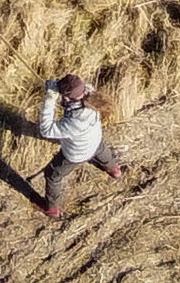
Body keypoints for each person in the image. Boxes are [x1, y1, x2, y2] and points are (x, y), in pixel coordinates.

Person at [34, 72, 127, 219]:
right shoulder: (91, 93)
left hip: (75, 154)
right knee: (103, 152)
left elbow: (47, 130)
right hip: (95, 141)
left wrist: (50, 99)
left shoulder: (75, 121)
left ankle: (51, 209)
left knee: (52, 175)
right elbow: (75, 90)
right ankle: (114, 170)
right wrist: (55, 86)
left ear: (66, 97)